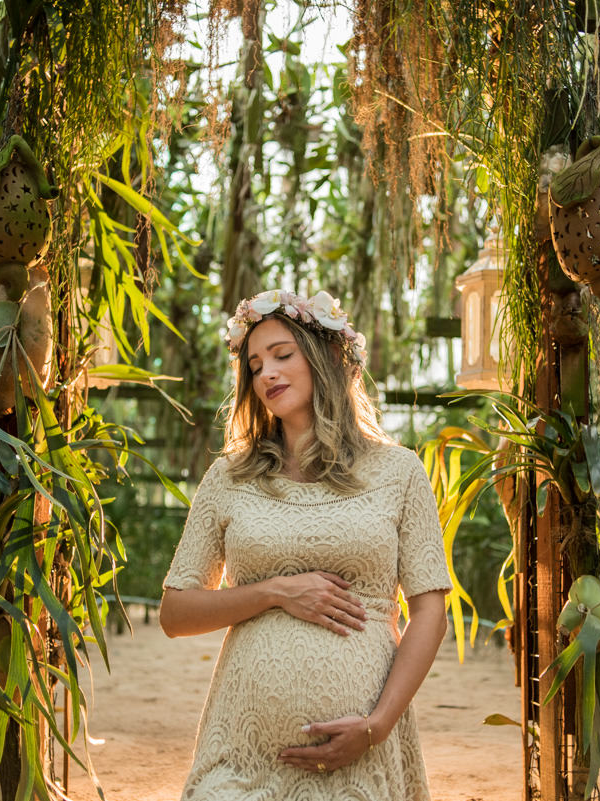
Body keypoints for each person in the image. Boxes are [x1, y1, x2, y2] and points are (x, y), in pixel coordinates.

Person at [159, 289, 452, 800]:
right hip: (241, 750)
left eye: (281, 355)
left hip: (362, 753)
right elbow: (176, 613)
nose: (266, 373)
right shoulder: (228, 477)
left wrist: (376, 726)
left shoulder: (399, 472)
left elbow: (429, 612)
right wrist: (274, 592)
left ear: (326, 358)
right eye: (254, 365)